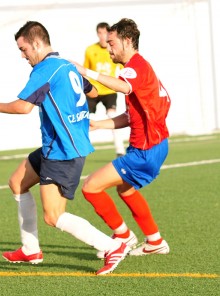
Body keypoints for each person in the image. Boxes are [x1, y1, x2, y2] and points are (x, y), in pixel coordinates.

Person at [0, 21, 130, 275]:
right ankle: (30, 249)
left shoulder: (44, 69)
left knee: (53, 216)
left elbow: (24, 107)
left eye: (24, 49)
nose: (23, 56)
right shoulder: (67, 65)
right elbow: (91, 93)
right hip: (56, 145)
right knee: (17, 183)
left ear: (36, 43)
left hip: (63, 151)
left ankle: (112, 246)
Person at [73, 18, 171, 258]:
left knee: (90, 187)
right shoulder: (138, 69)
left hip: (145, 150)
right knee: (125, 190)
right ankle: (155, 240)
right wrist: (98, 124)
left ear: (127, 41)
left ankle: (123, 237)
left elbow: (123, 88)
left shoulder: (133, 67)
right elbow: (129, 116)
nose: (108, 48)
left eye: (112, 42)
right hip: (156, 145)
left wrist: (86, 72)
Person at [84, 22, 125, 157]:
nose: (102, 36)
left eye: (105, 33)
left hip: (109, 91)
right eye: (100, 33)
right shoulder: (90, 50)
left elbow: (124, 67)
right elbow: (85, 71)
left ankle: (120, 150)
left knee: (113, 116)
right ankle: (80, 149)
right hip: (94, 90)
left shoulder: (113, 49)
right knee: (85, 119)